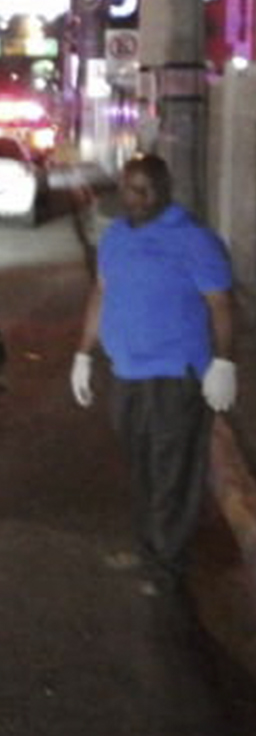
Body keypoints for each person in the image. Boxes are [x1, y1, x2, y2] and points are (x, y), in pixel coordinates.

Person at [71, 153, 236, 597]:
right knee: (142, 467)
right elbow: (101, 293)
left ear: (165, 189)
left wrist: (223, 363)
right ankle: (149, 548)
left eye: (146, 189)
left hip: (176, 376)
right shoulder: (116, 238)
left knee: (172, 472)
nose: (137, 198)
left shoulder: (194, 240)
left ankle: (168, 565)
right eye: (130, 188)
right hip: (127, 373)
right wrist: (83, 355)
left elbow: (221, 303)